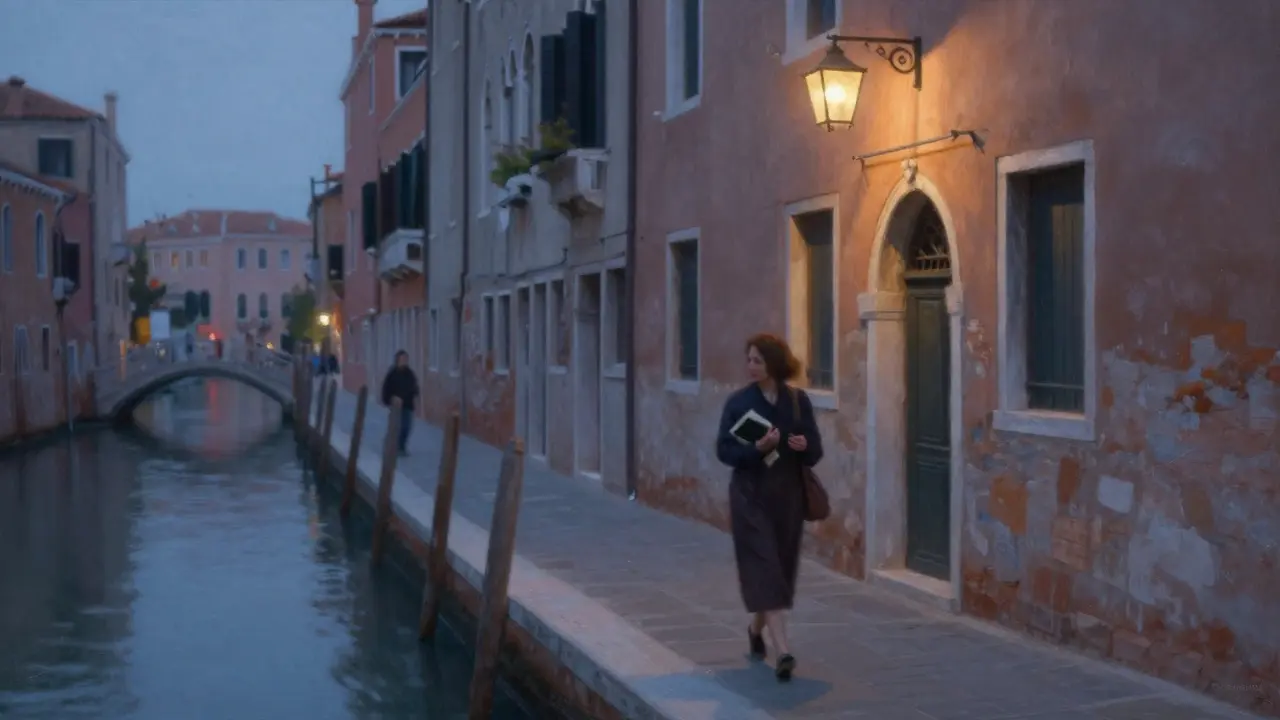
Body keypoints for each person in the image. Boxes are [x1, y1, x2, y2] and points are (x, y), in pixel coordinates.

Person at [715, 333, 823, 682]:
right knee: (764, 568)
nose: (751, 366)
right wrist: (758, 447)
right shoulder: (738, 403)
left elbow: (815, 452)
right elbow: (724, 452)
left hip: (787, 498)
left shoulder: (797, 402)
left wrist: (804, 444)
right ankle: (784, 652)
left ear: (774, 363)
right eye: (748, 360)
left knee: (779, 572)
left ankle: (755, 629)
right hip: (750, 496)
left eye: (757, 360)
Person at [381, 350, 419, 456]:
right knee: (396, 427)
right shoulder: (392, 374)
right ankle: (391, 445)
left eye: (406, 359)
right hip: (396, 406)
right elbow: (386, 390)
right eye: (402, 359)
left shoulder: (410, 374)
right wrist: (391, 399)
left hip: (408, 405)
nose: (404, 361)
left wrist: (415, 395)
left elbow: (414, 387)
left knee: (407, 427)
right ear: (397, 360)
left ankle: (401, 446)